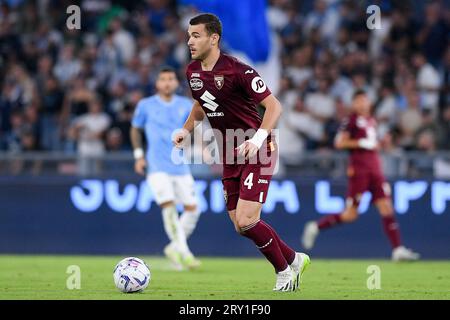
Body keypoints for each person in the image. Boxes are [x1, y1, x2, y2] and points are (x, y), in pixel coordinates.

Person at [173, 13, 310, 292]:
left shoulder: (238, 70)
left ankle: (284, 272)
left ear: (214, 38)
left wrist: (257, 139)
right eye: (188, 35)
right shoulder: (192, 72)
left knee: (248, 220)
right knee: (240, 224)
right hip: (229, 153)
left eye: (196, 35)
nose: (189, 41)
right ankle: (295, 259)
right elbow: (201, 106)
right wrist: (185, 131)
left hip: (258, 148)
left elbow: (274, 107)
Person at [302, 89, 420, 261]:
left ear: (369, 102)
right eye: (358, 101)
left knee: (386, 206)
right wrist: (360, 142)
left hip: (376, 170)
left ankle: (397, 249)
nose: (362, 103)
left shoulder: (371, 121)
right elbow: (339, 142)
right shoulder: (350, 121)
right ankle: (315, 227)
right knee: (350, 214)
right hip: (360, 171)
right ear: (354, 104)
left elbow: (372, 145)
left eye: (364, 100)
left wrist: (381, 143)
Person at [131, 67, 201, 270]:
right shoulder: (146, 105)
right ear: (157, 84)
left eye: (171, 79)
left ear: (176, 83)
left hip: (180, 165)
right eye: (163, 79)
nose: (167, 82)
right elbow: (135, 129)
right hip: (156, 166)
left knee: (193, 209)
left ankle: (173, 247)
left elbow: (194, 128)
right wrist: (138, 156)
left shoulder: (186, 105)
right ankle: (185, 253)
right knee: (168, 205)